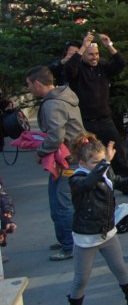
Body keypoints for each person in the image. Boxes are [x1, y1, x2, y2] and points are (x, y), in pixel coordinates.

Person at [66, 133, 128, 305]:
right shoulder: (76, 179)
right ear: (82, 163)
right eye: (95, 162)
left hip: (107, 234)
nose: (101, 165)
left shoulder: (105, 171)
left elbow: (124, 185)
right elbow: (89, 183)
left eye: (101, 161)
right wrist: (106, 162)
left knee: (120, 269)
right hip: (86, 238)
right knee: (81, 279)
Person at [25, 65, 85, 261]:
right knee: (61, 200)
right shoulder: (64, 97)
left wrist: (40, 152)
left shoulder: (52, 104)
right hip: (73, 157)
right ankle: (66, 239)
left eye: (29, 85)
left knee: (61, 203)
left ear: (37, 83)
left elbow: (55, 137)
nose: (29, 89)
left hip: (67, 160)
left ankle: (69, 245)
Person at [64, 32, 128, 181]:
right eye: (91, 54)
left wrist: (109, 45)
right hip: (86, 122)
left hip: (105, 120)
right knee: (89, 155)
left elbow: (120, 63)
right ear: (83, 55)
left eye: (96, 54)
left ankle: (125, 182)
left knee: (117, 153)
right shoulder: (78, 70)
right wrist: (83, 47)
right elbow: (69, 68)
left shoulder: (102, 67)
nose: (94, 57)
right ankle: (93, 182)